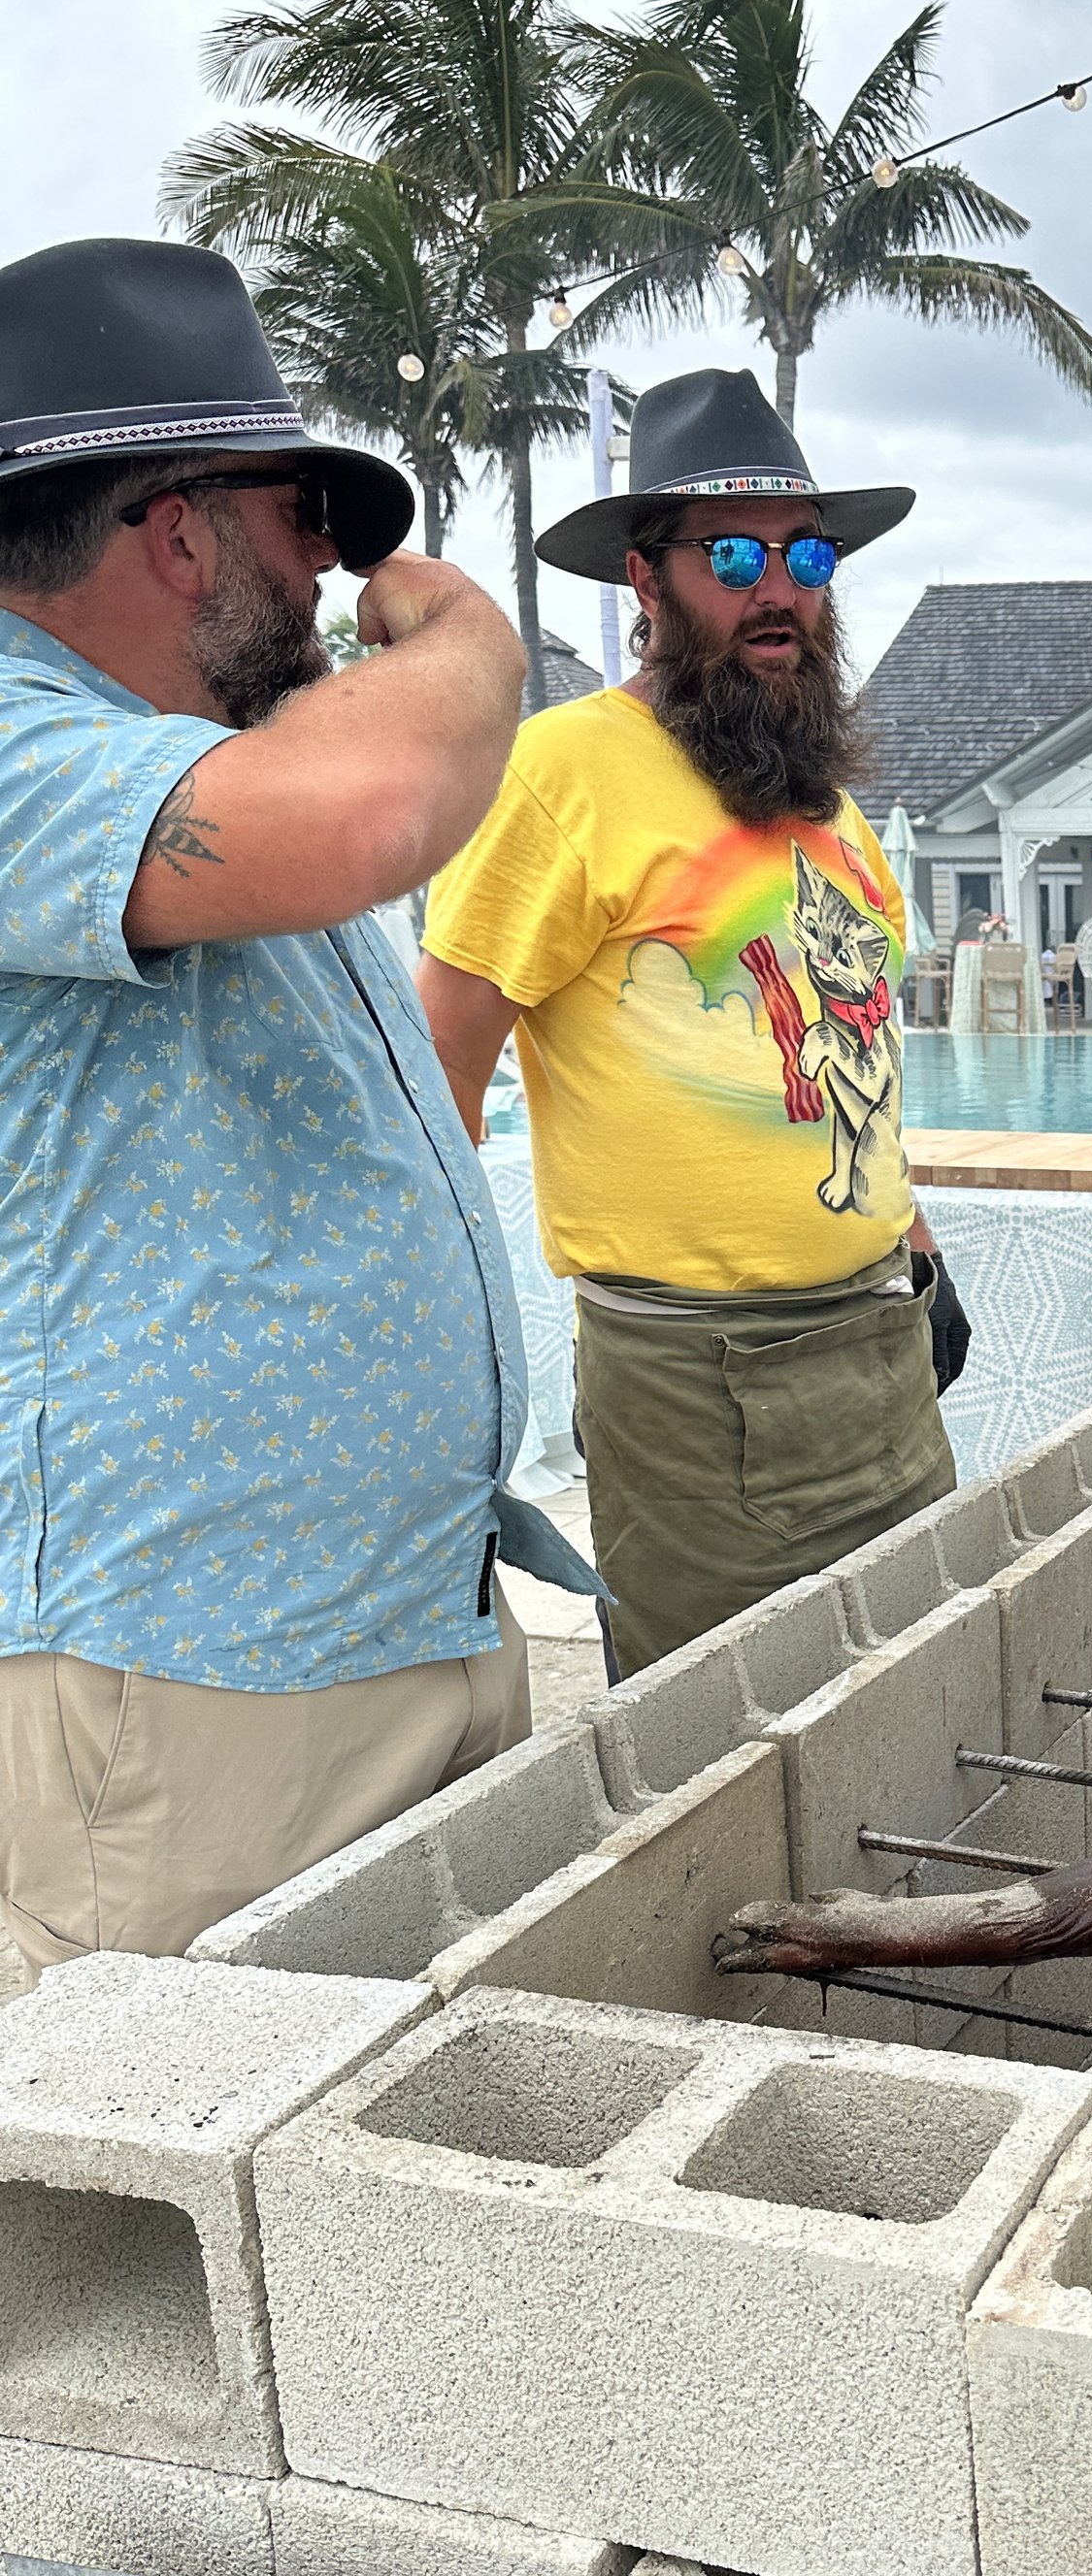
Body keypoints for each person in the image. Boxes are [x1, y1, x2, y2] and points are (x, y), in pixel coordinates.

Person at [0, 237, 541, 1981]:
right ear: (178, 528)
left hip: (372, 1632)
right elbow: (379, 800)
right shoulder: (18, 737)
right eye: (303, 513)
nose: (329, 564)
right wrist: (465, 632)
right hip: (185, 1693)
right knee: (159, 2238)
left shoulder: (187, 759)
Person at [419, 369, 967, 1677]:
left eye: (804, 552)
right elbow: (443, 1049)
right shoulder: (564, 769)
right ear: (646, 580)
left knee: (919, 1700)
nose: (776, 585)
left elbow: (861, 1056)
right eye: (733, 554)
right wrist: (438, 1334)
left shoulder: (821, 801)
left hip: (878, 1344)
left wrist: (924, 1254)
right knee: (716, 1751)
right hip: (690, 1377)